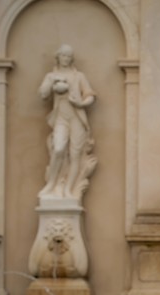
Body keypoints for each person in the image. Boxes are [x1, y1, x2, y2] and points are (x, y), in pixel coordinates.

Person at [38, 44, 97, 200]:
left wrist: (81, 103)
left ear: (72, 59)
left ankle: (68, 190)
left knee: (75, 155)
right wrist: (52, 82)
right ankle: (51, 185)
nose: (66, 59)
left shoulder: (79, 76)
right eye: (63, 55)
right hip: (61, 119)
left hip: (77, 118)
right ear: (58, 57)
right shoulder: (51, 76)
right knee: (58, 149)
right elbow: (43, 94)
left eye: (69, 56)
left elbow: (90, 95)